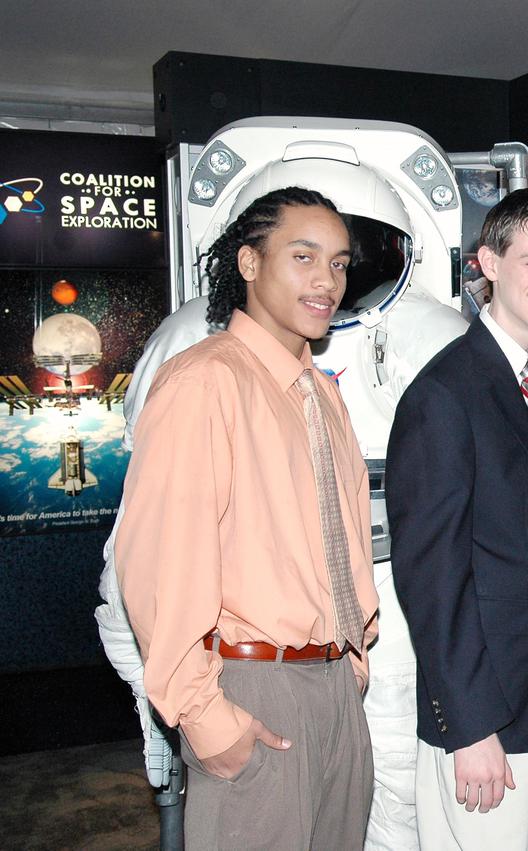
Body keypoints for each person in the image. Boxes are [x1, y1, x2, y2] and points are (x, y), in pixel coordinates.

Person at [116, 187, 379, 849]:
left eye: (341, 262)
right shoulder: (203, 382)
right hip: (254, 685)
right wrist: (206, 716)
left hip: (337, 686)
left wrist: (352, 658)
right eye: (304, 256)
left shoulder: (321, 394)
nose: (328, 279)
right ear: (250, 263)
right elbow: (160, 567)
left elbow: (342, 539)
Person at [386, 187, 528, 850]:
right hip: (482, 708)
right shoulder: (443, 394)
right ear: (489, 263)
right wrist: (468, 726)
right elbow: (432, 579)